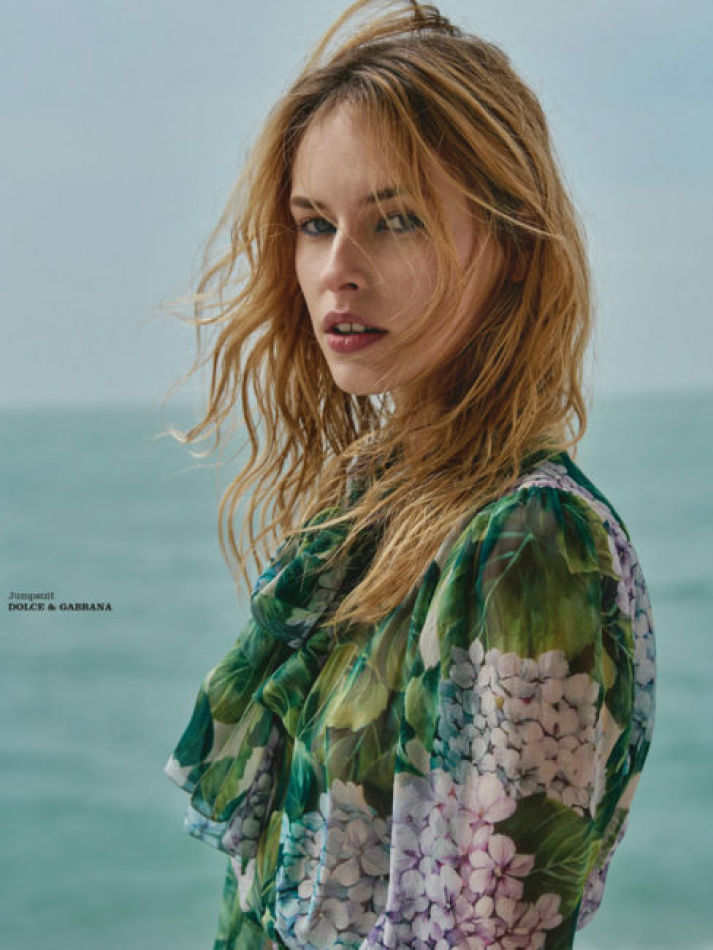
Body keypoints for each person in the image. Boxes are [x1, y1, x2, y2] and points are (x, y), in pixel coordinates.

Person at [163, 2, 656, 948]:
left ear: (514, 246)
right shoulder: (376, 508)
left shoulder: (527, 543)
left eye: (394, 222)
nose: (335, 270)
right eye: (314, 224)